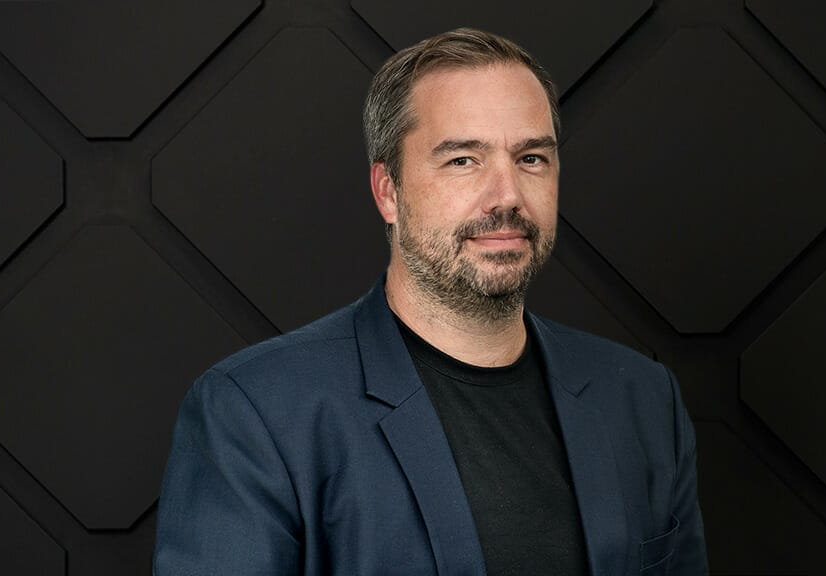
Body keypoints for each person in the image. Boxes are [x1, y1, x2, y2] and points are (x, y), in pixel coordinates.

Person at [154, 28, 707, 575]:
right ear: (388, 192)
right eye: (463, 160)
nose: (508, 195)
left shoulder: (644, 400)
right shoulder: (256, 414)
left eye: (532, 158)